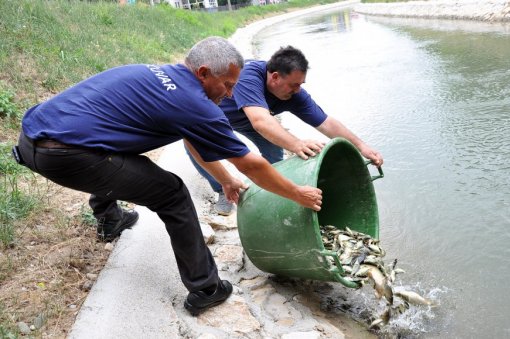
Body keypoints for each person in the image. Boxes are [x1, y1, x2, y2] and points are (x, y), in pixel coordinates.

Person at [13, 37, 322, 316]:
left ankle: (110, 219)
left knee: (119, 150)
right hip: (64, 155)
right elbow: (251, 165)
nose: (229, 94)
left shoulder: (157, 75)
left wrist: (225, 179)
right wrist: (297, 193)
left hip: (32, 138)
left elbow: (192, 139)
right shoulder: (196, 105)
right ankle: (206, 288)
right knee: (172, 192)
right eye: (227, 85)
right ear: (203, 73)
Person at [185, 46, 383, 215]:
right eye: (294, 85)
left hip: (251, 121)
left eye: (301, 85)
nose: (298, 90)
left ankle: (279, 195)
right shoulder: (249, 74)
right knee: (196, 145)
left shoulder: (295, 95)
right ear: (275, 77)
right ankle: (221, 189)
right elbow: (261, 122)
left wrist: (362, 147)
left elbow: (326, 123)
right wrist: (297, 143)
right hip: (218, 118)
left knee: (275, 158)